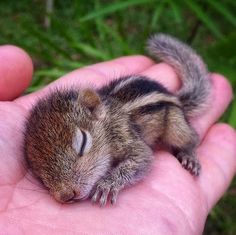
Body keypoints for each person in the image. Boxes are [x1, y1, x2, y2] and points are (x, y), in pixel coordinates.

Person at [0, 45, 235, 234]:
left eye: (82, 145)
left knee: (179, 133)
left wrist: (114, 180)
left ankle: (188, 149)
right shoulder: (72, 155)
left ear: (94, 109)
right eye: (43, 176)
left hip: (164, 113)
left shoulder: (115, 128)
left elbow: (142, 158)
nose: (62, 193)